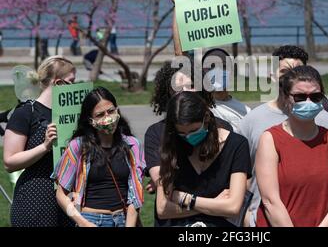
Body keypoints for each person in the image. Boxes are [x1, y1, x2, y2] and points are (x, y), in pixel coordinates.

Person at [237, 45, 328, 227]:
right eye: (299, 97)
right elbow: (267, 197)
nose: (308, 102)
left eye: (315, 97)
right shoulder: (267, 135)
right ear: (286, 94)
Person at [144, 60, 232, 227]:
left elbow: (229, 189)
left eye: (190, 86)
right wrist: (212, 205)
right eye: (177, 88)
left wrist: (186, 199)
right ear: (168, 92)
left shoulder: (223, 128)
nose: (184, 92)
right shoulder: (156, 133)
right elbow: (166, 190)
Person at [52, 87, 145, 227]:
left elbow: (136, 194)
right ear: (90, 120)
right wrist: (82, 222)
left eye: (111, 111)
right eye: (100, 114)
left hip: (124, 220)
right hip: (91, 220)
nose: (107, 118)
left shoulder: (132, 145)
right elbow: (61, 194)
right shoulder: (78, 146)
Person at [156, 91, 252, 227]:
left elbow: (233, 207)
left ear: (206, 118)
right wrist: (215, 205)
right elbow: (162, 208)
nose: (188, 138)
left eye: (194, 131)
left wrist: (186, 199)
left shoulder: (237, 145)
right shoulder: (173, 144)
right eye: (182, 133)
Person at [3, 56, 76, 227]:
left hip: (67, 198)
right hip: (36, 198)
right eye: (72, 81)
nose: (76, 86)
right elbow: (9, 162)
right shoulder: (26, 113)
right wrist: (44, 147)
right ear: (58, 83)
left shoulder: (72, 115)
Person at [202, 48, 251, 131]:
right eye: (211, 66)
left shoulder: (246, 111)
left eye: (223, 66)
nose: (217, 71)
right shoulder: (200, 107)